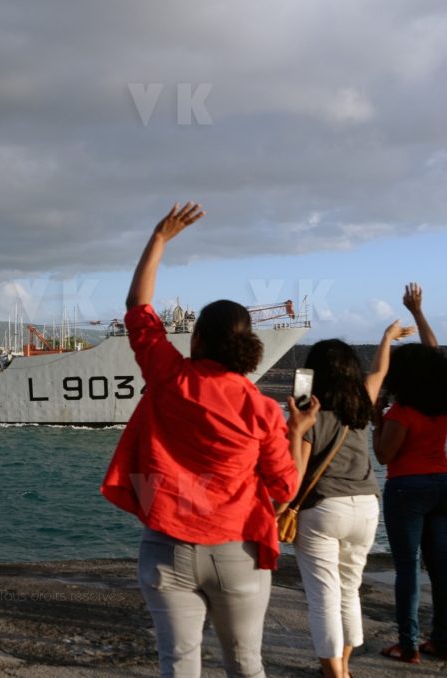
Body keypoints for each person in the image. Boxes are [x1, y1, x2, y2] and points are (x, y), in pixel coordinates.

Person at [101, 202, 315, 677]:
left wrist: (159, 238)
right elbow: (284, 488)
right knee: (245, 664)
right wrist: (298, 432)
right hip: (237, 549)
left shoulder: (169, 378)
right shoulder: (261, 408)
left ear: (196, 340)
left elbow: (139, 310)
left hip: (165, 547)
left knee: (177, 664)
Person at [285, 320, 413, 678]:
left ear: (313, 373)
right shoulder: (362, 402)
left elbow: (296, 472)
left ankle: (334, 673)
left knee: (322, 596)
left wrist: (295, 428)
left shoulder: (311, 411)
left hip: (324, 509)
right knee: (349, 589)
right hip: (367, 508)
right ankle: (342, 666)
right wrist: (386, 337)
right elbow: (380, 369)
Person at [375, 283, 447, 663]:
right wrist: (419, 313)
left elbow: (384, 456)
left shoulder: (401, 413)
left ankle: (408, 643)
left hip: (407, 488)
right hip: (443, 483)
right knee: (441, 568)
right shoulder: (440, 403)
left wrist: (376, 420)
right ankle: (442, 639)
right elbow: (434, 356)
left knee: (407, 568)